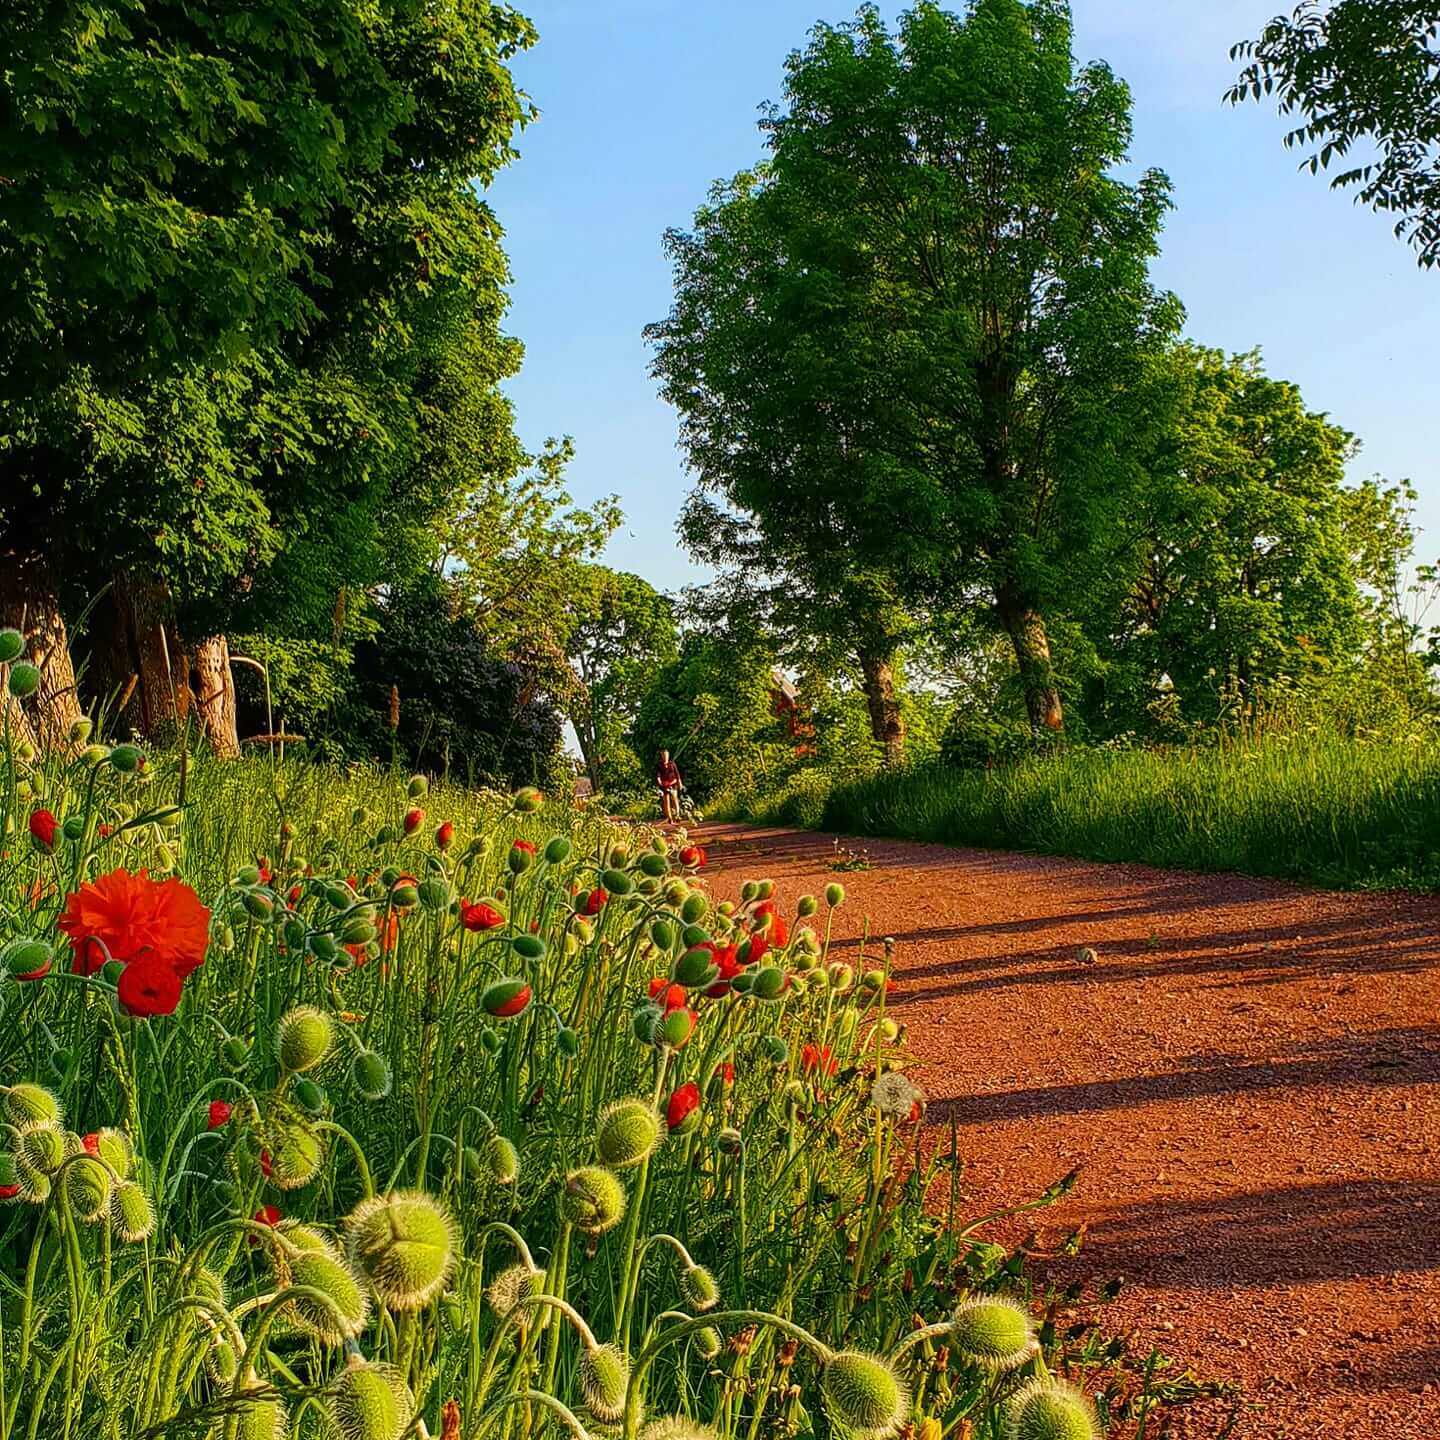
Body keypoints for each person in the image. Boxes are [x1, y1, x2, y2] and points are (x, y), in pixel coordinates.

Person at [655, 749, 682, 822]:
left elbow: (677, 774)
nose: (665, 757)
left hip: (673, 783)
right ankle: (670, 818)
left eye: (666, 755)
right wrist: (659, 781)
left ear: (668, 756)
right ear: (661, 756)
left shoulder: (672, 764)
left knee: (674, 798)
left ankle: (677, 815)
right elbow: (658, 775)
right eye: (663, 755)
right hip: (665, 785)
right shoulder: (659, 765)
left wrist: (680, 782)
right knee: (666, 801)